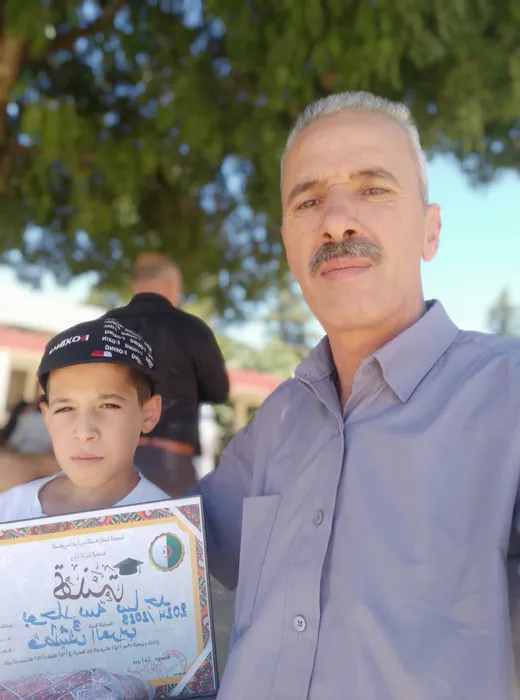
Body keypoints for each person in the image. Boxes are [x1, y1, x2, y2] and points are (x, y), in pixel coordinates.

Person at [194, 91, 520, 699]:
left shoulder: (510, 393)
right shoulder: (277, 420)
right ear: (288, 244)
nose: (336, 221)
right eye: (308, 200)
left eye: (373, 189)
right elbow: (170, 547)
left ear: (430, 230)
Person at [0, 316, 167, 522]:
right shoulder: (8, 510)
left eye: (108, 405)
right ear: (48, 418)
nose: (84, 432)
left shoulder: (172, 526)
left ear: (149, 414)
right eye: (65, 408)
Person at [101, 252, 230, 497]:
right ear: (171, 286)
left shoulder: (105, 327)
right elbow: (219, 391)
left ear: (135, 285)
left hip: (110, 459)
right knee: (173, 525)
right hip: (171, 464)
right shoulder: (192, 328)